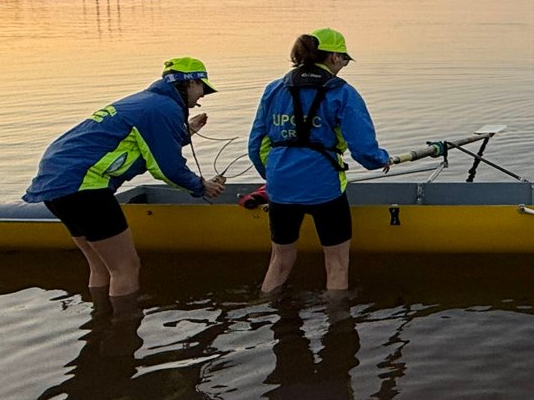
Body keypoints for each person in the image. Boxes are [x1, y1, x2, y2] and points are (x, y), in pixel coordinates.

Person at [23, 57, 226, 302]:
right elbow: (166, 168)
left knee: (100, 267)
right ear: (190, 82)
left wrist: (188, 131)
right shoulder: (164, 108)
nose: (202, 96)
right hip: (84, 187)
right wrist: (200, 186)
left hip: (55, 185)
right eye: (202, 87)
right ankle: (123, 330)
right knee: (125, 268)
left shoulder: (147, 103)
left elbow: (145, 142)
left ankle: (99, 322)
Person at [249, 28, 391, 294]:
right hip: (324, 187)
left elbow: (256, 146)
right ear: (334, 57)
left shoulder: (274, 89)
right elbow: (363, 149)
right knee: (336, 264)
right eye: (345, 59)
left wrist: (274, 176)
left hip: (281, 186)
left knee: (279, 261)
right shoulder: (342, 93)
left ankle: (268, 312)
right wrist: (379, 160)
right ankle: (338, 326)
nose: (344, 65)